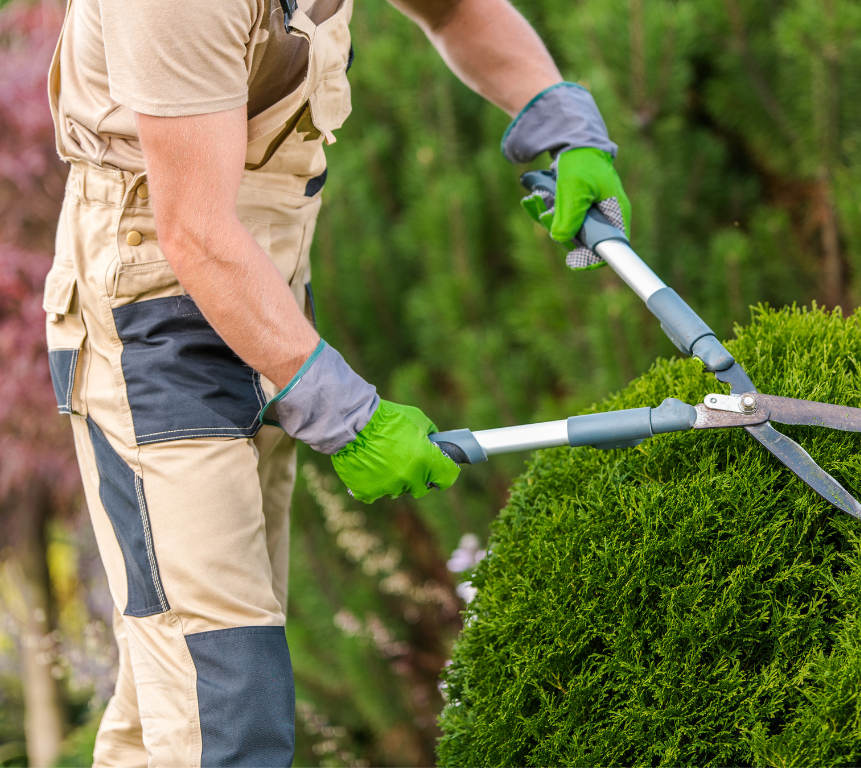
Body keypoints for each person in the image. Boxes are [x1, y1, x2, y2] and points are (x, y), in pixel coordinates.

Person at [43, 0, 629, 762]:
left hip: (266, 293)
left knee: (180, 671)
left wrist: (556, 115)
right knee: (226, 703)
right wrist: (347, 413)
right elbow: (194, 231)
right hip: (153, 312)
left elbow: (453, 10)